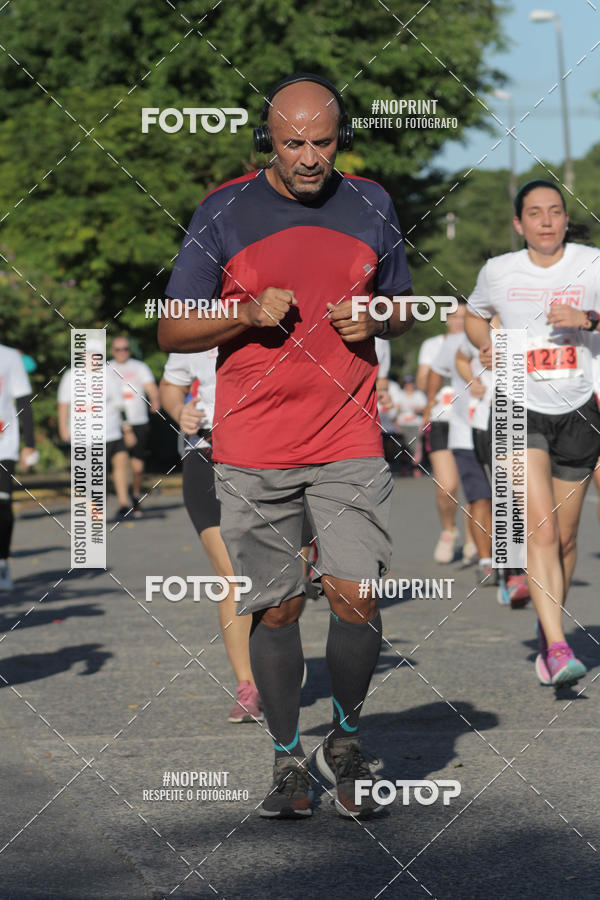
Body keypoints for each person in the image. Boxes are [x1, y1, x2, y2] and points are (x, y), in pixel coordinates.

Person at [158, 72, 414, 819]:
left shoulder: (372, 203)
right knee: (276, 607)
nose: (308, 157)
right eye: (293, 142)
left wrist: (380, 319)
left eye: (323, 142)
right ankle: (285, 759)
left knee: (357, 594)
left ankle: (345, 741)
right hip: (255, 443)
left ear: (342, 138)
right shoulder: (223, 210)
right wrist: (242, 314)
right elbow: (171, 328)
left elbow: (403, 303)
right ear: (266, 138)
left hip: (348, 433)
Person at [466, 178, 600, 687]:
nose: (546, 220)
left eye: (555, 211)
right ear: (519, 224)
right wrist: (486, 342)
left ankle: (548, 632)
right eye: (535, 213)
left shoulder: (592, 263)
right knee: (540, 530)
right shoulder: (499, 271)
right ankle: (559, 648)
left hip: (579, 407)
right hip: (516, 404)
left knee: (564, 538)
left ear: (566, 219)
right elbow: (473, 314)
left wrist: (589, 318)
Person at [159, 349, 264, 723]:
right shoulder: (194, 327)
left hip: (272, 455)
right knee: (232, 577)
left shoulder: (278, 321)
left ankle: (276, 654)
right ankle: (248, 686)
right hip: (206, 454)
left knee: (285, 582)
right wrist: (179, 410)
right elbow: (170, 386)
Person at [456, 336, 530, 608]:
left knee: (526, 497)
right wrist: (472, 380)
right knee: (507, 494)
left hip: (534, 416)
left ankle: (520, 566)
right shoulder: (480, 330)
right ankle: (512, 573)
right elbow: (461, 357)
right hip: (490, 421)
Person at [425, 324, 494, 584]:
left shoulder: (516, 330)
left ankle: (507, 558)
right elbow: (439, 369)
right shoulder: (456, 341)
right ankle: (484, 560)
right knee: (478, 496)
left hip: (507, 430)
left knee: (506, 497)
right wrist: (430, 401)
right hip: (464, 430)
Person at [419, 306, 478, 564]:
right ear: (446, 320)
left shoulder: (479, 341)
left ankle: (474, 538)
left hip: (473, 419)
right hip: (442, 419)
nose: (459, 322)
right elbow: (423, 382)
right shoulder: (433, 345)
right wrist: (442, 374)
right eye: (454, 317)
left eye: (464, 317)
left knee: (474, 485)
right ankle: (448, 531)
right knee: (447, 487)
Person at [58, 352, 136, 520]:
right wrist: (63, 427)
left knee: (119, 463)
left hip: (111, 431)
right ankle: (92, 506)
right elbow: (63, 404)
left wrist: (127, 429)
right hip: (84, 434)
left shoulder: (108, 374)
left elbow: (119, 404)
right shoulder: (71, 376)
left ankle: (123, 503)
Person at [108, 337, 159, 517]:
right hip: (116, 423)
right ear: (112, 351)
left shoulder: (139, 367)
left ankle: (135, 494)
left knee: (137, 466)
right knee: (119, 462)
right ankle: (123, 503)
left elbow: (150, 386)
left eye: (125, 349)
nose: (122, 352)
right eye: (118, 349)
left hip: (138, 420)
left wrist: (155, 400)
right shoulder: (106, 369)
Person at [0, 344, 36, 591]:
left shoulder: (10, 357)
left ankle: (2, 562)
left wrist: (29, 443)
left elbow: (23, 399)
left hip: (4, 444)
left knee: (2, 503)